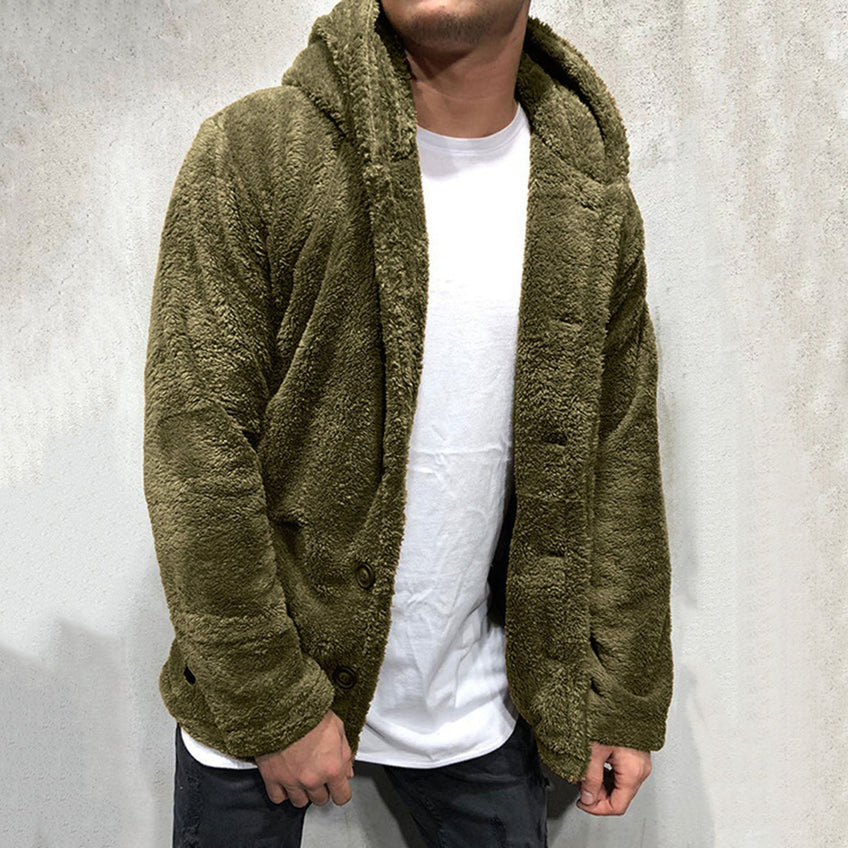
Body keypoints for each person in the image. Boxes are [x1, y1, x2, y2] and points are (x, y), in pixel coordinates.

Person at [142, 0, 675, 844]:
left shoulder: (588, 198)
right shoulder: (259, 152)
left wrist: (624, 690)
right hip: (256, 702)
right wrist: (272, 704)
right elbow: (195, 454)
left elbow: (618, 456)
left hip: (479, 702)